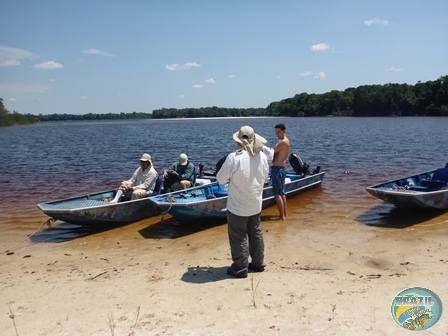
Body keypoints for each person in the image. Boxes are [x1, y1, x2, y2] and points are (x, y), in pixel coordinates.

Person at [217, 126, 269, 279]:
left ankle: (240, 268)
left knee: (238, 235)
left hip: (237, 206)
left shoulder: (234, 158)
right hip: (255, 203)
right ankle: (258, 264)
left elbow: (220, 179)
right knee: (256, 233)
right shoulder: (262, 157)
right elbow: (265, 177)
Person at [271, 123, 290, 220]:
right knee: (282, 192)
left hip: (278, 169)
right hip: (280, 168)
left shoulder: (283, 142)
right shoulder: (284, 141)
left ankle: (282, 216)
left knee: (277, 193)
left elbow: (271, 152)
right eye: (276, 132)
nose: (277, 134)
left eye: (279, 132)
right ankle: (284, 214)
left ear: (284, 131)